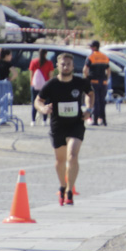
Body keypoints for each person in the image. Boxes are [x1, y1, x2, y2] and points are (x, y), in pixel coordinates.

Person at [34, 53, 93, 205]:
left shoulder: (80, 82)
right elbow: (37, 101)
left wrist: (89, 109)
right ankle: (62, 185)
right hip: (58, 125)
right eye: (63, 64)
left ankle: (70, 191)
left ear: (73, 67)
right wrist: (43, 108)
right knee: (60, 161)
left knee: (72, 156)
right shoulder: (51, 84)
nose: (66, 67)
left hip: (76, 124)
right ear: (58, 66)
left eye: (68, 64)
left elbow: (90, 94)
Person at [83, 40, 111, 126]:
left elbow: (85, 70)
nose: (90, 48)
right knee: (102, 101)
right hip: (103, 82)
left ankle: (95, 120)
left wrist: (87, 78)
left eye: (91, 46)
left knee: (95, 101)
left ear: (94, 47)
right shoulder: (104, 57)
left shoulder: (91, 57)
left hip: (94, 82)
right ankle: (104, 120)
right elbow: (108, 70)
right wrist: (106, 78)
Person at [29, 48, 54, 126]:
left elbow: (31, 74)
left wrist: (32, 83)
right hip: (45, 85)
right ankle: (44, 120)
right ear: (46, 54)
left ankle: (33, 121)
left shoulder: (34, 62)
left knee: (34, 102)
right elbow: (50, 75)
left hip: (35, 85)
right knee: (46, 102)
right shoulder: (49, 63)